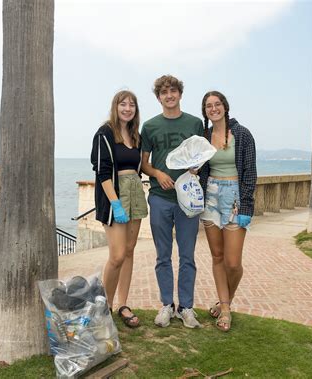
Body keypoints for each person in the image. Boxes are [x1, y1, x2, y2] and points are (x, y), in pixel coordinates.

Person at [141, 75, 204, 328]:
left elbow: (201, 155)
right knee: (163, 256)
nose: (169, 95)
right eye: (164, 92)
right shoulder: (150, 126)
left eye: (173, 91)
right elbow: (144, 163)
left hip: (187, 199)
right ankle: (167, 304)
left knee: (187, 256)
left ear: (180, 94)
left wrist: (196, 168)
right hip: (160, 198)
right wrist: (157, 173)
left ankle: (186, 307)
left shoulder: (195, 123)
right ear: (159, 97)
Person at [199, 90, 257, 332]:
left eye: (217, 104)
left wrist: (246, 205)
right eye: (209, 106)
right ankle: (225, 308)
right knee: (217, 257)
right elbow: (199, 169)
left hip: (234, 196)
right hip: (210, 195)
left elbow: (250, 173)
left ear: (225, 106)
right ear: (205, 111)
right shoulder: (203, 136)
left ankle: (226, 302)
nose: (213, 108)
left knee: (233, 263)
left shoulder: (242, 134)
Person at [90, 90, 148, 328]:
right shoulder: (104, 133)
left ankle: (123, 304)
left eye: (131, 105)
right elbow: (102, 171)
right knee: (116, 256)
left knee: (130, 251)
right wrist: (115, 202)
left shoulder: (136, 135)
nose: (127, 108)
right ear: (115, 107)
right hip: (115, 195)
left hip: (134, 190)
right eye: (123, 104)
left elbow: (140, 166)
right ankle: (105, 307)